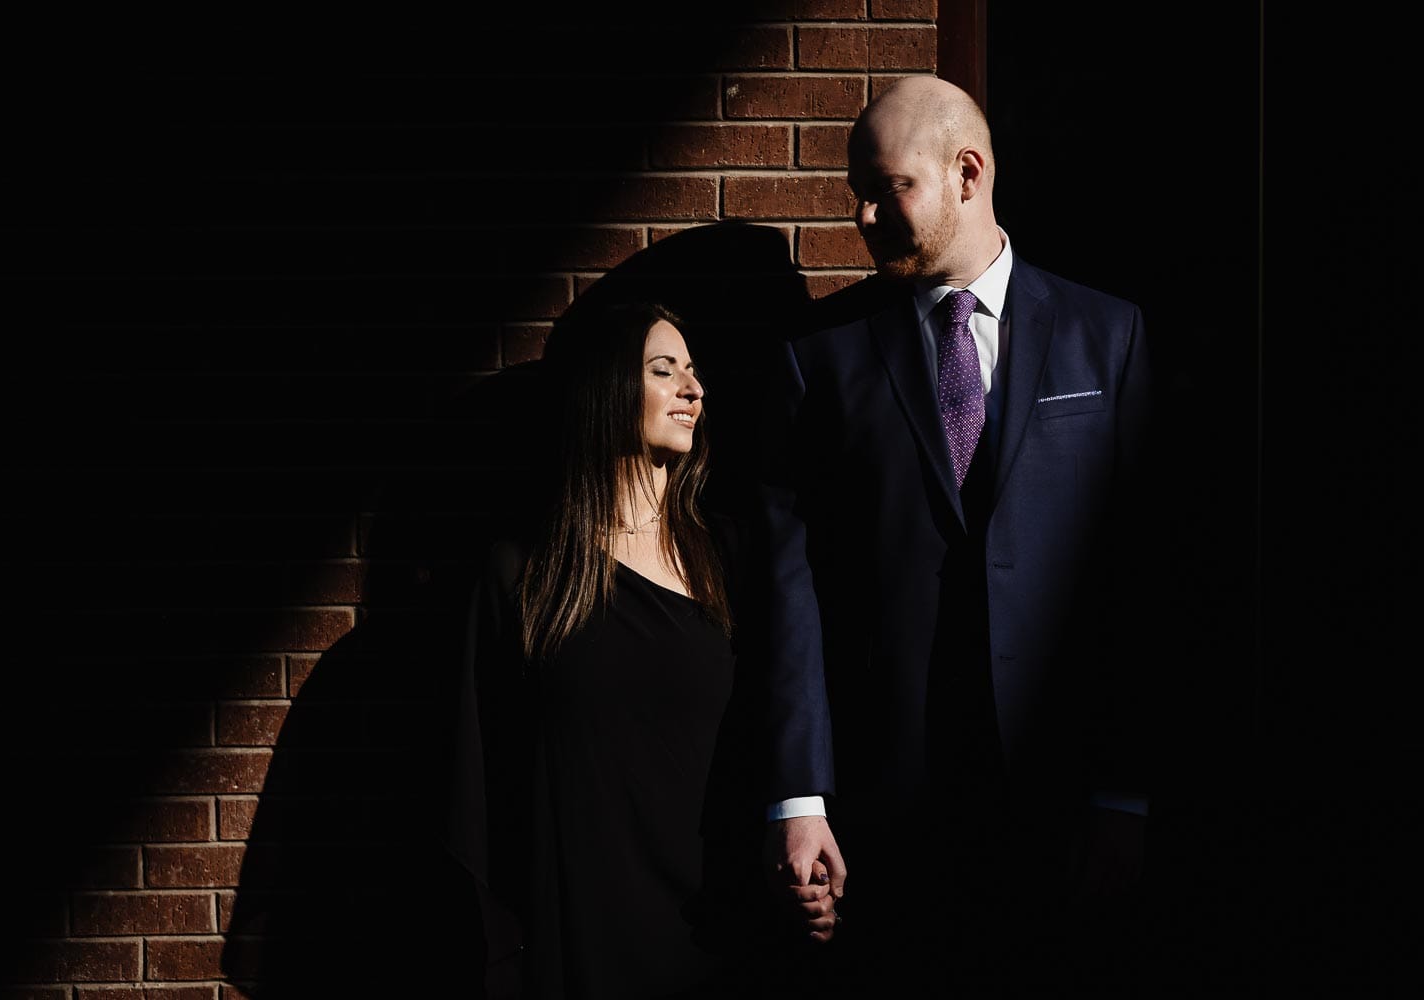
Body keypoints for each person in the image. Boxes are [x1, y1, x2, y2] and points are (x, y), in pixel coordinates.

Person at [752, 76, 1162, 992]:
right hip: (884, 809)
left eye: (884, 186)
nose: (859, 214)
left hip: (1060, 801)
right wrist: (800, 795)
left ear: (967, 174)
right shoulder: (817, 354)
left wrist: (1123, 796)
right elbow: (790, 584)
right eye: (854, 189)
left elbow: (1136, 585)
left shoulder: (1108, 336)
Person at [445, 301, 745, 999]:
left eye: (693, 374)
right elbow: (478, 783)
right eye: (663, 371)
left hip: (721, 925)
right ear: (607, 390)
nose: (692, 390)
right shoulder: (523, 573)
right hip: (578, 932)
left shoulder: (734, 556)